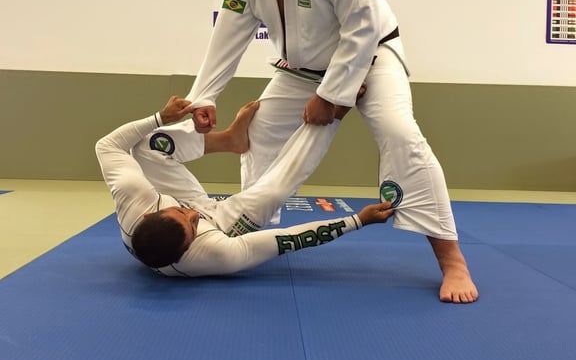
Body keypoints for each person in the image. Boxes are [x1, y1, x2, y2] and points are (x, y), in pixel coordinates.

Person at [186, 0, 478, 303]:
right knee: (261, 132)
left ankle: (452, 261)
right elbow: (228, 35)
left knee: (400, 134)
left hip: (372, 56)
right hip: (303, 70)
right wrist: (203, 96)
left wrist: (332, 95)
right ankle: (246, 234)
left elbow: (362, 24)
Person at [95, 95, 395, 277]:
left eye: (182, 214)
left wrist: (160, 117)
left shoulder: (134, 199)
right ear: (187, 250)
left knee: (145, 145)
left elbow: (106, 146)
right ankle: (336, 114)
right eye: (191, 224)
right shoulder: (213, 254)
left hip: (169, 197)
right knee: (275, 190)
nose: (193, 215)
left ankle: (229, 140)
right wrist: (357, 221)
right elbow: (286, 239)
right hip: (221, 222)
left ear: (148, 213)